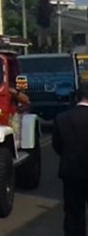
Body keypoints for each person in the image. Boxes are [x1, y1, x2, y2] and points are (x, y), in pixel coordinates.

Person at [52, 81, 88, 236]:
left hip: (71, 172)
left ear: (77, 97)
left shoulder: (62, 118)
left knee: (73, 214)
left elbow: (57, 145)